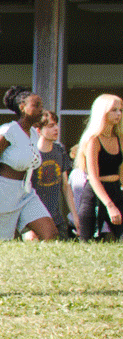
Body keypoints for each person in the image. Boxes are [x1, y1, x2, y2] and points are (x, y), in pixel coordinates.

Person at [0, 88, 58, 242]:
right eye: (36, 105)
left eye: (41, 105)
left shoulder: (34, 133)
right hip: (2, 193)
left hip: (26, 191)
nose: (41, 109)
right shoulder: (7, 131)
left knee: (50, 232)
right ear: (22, 107)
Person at [72, 93, 122, 240]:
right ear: (102, 112)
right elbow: (93, 178)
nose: (118, 114)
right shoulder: (93, 140)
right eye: (114, 110)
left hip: (116, 190)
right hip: (95, 194)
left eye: (120, 110)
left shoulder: (120, 139)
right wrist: (110, 205)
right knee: (87, 244)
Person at [28, 108, 72, 240]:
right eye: (51, 126)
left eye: (56, 125)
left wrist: (75, 216)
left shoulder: (60, 151)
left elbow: (65, 186)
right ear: (38, 130)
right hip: (34, 218)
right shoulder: (31, 154)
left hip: (56, 218)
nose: (56, 129)